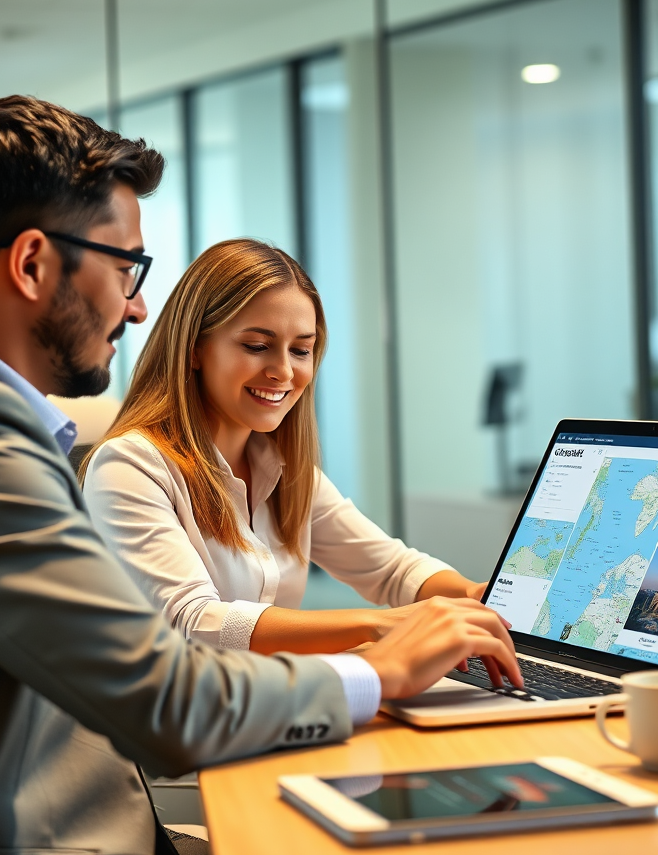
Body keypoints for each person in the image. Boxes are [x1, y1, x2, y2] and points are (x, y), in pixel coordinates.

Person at [0, 96, 522, 855]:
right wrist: (380, 669)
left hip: (69, 844)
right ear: (31, 265)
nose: (135, 309)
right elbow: (168, 694)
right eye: (126, 269)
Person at [82, 239, 501, 662]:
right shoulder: (129, 466)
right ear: (195, 348)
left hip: (264, 711)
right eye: (257, 346)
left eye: (301, 350)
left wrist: (473, 595)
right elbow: (194, 622)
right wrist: (377, 625)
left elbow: (393, 570)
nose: (283, 372)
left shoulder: (285, 472)